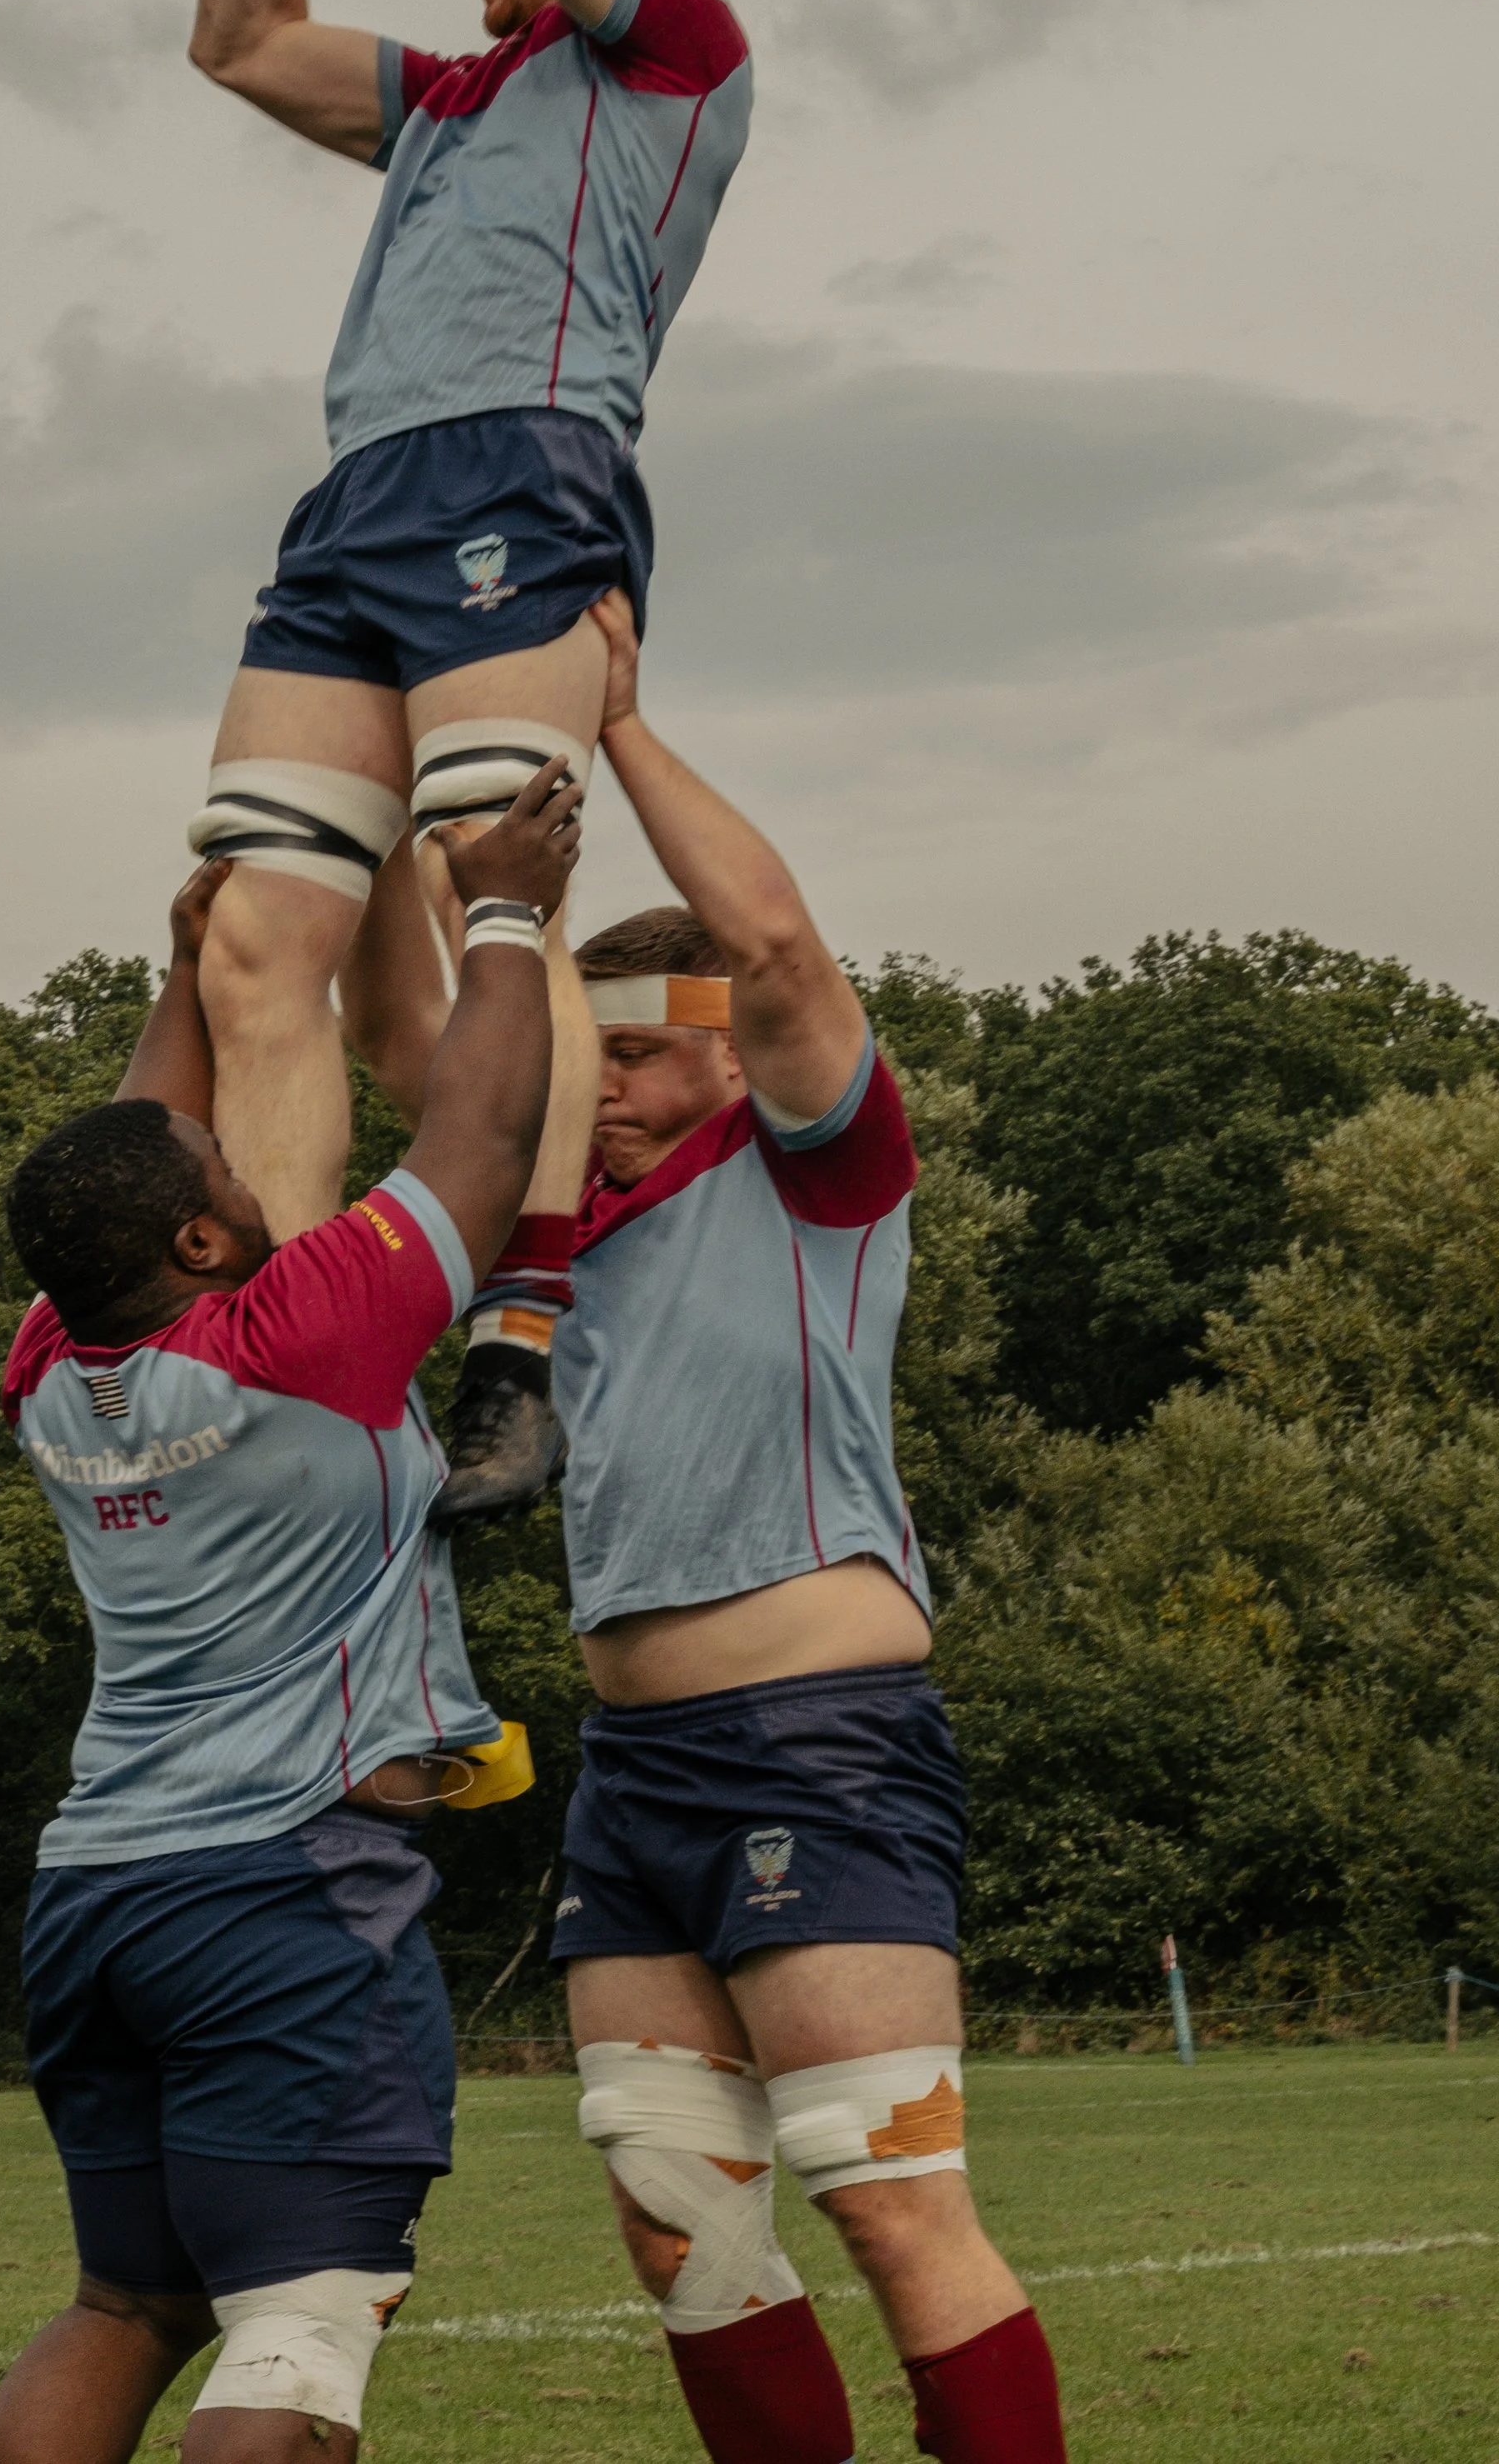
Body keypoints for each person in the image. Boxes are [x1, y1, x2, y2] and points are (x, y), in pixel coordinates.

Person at [181, 0, 752, 1391]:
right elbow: (239, 38)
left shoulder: (667, 39)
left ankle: (517, 1324)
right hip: (355, 502)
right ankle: (289, 1356)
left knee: (483, 883)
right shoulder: (445, 100)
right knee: (258, 941)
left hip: (526, 471)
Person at [0, 760, 579, 2464]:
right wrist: (510, 906)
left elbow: (109, 1171)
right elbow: (473, 1135)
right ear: (196, 1235)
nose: (248, 1172)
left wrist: (189, 976)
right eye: (221, 1174)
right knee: (303, 2328)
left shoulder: (50, 1369)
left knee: (125, 2306)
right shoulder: (293, 1331)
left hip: (96, 1892)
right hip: (279, 1894)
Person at [537, 592, 1069, 2464]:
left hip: (810, 1747)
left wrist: (609, 727)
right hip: (636, 1769)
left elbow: (763, 941)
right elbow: (414, 1031)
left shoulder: (813, 1170)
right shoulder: (562, 1233)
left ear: (712, 1049)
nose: (593, 1080)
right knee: (672, 2212)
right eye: (574, 1052)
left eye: (626, 1047)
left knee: (878, 2189)